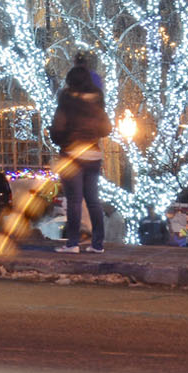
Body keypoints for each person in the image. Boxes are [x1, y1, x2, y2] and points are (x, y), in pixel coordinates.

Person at [50, 51, 112, 254]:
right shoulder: (97, 100)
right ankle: (97, 244)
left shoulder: (66, 99)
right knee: (93, 201)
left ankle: (73, 243)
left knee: (74, 200)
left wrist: (62, 142)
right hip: (93, 155)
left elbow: (58, 128)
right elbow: (106, 129)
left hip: (72, 155)